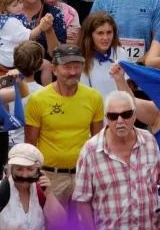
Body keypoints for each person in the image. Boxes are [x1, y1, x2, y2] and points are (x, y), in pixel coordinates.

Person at [74, 90, 160, 230]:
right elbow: (82, 200)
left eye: (126, 114)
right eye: (114, 116)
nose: (120, 121)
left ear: (135, 115)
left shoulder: (149, 141)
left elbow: (158, 184)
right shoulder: (91, 150)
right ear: (106, 117)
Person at [24, 45, 104, 204]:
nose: (73, 72)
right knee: (51, 225)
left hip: (83, 174)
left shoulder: (94, 97)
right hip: (50, 177)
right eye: (67, 67)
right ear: (54, 70)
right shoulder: (38, 99)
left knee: (82, 226)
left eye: (77, 66)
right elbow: (30, 144)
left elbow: (97, 141)